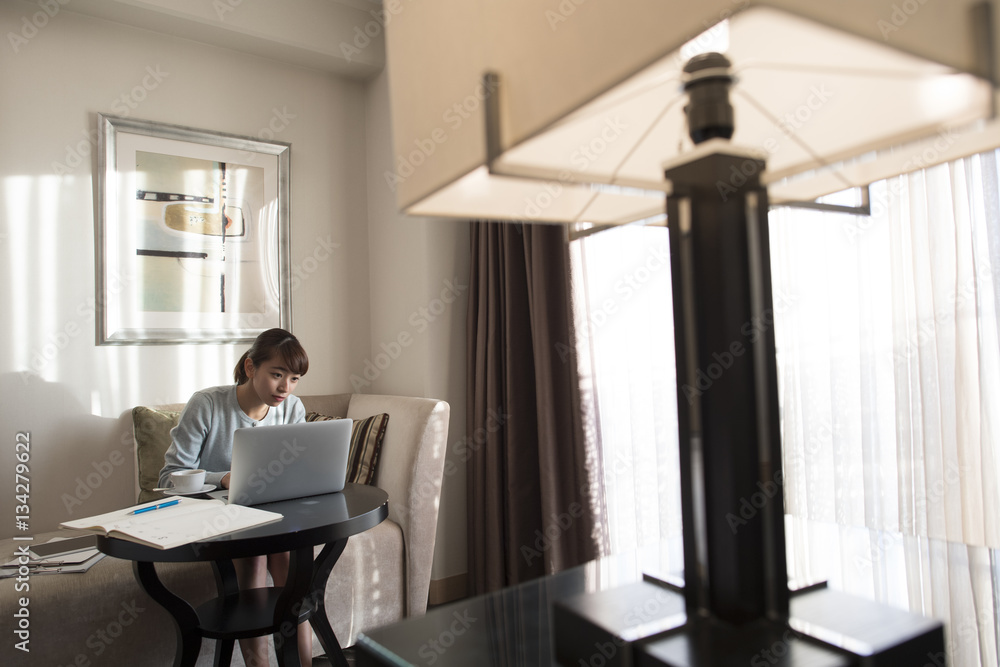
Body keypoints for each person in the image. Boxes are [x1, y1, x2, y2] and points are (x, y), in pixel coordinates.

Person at [158, 327, 313, 667]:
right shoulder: (208, 404)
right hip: (218, 517)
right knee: (255, 558)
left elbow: (297, 471)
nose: (285, 388)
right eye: (276, 375)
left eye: (294, 378)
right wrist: (224, 478)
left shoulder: (292, 409)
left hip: (272, 514)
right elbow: (169, 477)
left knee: (292, 562)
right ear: (249, 367)